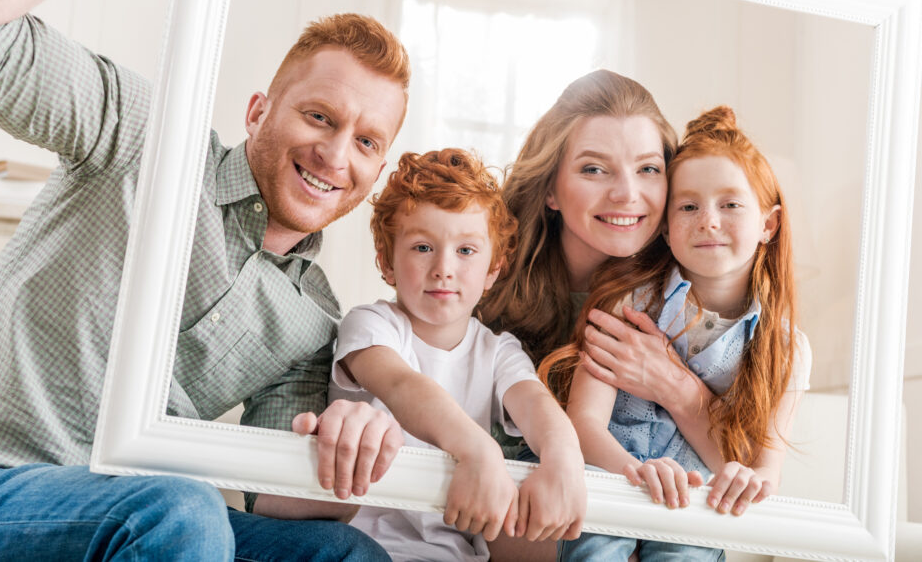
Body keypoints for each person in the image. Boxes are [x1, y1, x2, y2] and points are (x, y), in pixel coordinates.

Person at [0, 0, 409, 560]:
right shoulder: (144, 134)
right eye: (320, 116)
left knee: (344, 555)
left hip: (129, 520)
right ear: (258, 111)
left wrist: (356, 444)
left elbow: (277, 497)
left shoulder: (311, 318)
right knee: (179, 506)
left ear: (376, 170)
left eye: (367, 141)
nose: (336, 152)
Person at [542, 105, 811, 560]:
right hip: (611, 482)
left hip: (694, 508)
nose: (708, 220)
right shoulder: (629, 302)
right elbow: (583, 422)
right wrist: (632, 473)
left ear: (768, 224)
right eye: (688, 206)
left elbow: (767, 471)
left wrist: (749, 480)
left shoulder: (786, 348)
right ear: (665, 229)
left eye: (730, 204)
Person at [476, 69, 717, 562]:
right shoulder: (483, 284)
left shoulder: (687, 297)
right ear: (551, 190)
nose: (627, 194)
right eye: (594, 169)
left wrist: (673, 384)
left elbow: (744, 464)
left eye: (648, 169)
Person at [328, 149, 586, 561]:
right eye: (422, 248)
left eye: (466, 251)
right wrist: (477, 449)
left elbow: (536, 403)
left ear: (492, 271)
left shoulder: (499, 351)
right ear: (387, 262)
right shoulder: (372, 325)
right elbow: (400, 385)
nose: (443, 268)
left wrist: (564, 457)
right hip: (365, 547)